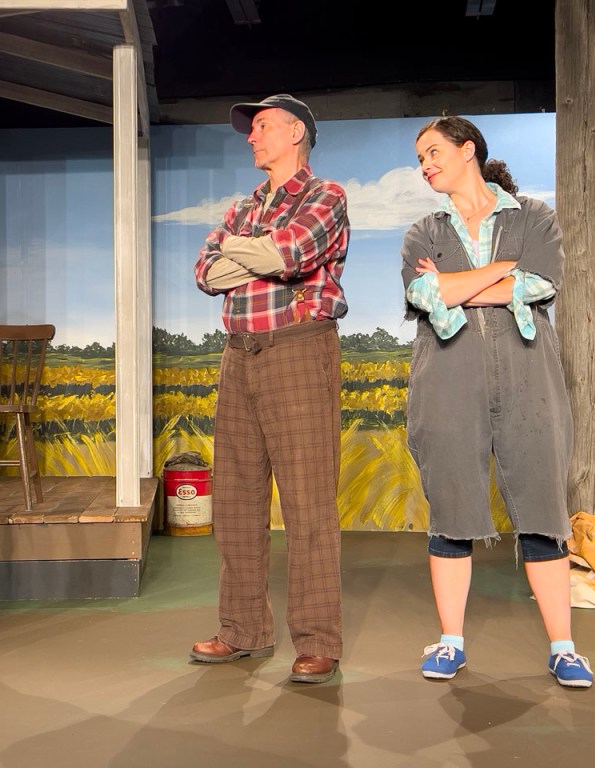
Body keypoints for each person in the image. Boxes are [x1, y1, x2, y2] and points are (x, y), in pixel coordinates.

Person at [401, 116, 594, 688]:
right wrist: (502, 271)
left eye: (433, 152)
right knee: (452, 507)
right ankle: (451, 642)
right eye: (420, 158)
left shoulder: (533, 216)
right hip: (447, 377)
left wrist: (459, 286)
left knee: (542, 507)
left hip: (528, 376)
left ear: (468, 151)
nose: (425, 165)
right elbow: (425, 294)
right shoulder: (423, 232)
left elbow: (542, 282)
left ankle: (564, 649)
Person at [191, 94, 349, 684]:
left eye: (261, 126)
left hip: (298, 348)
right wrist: (253, 254)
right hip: (239, 353)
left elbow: (292, 253)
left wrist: (248, 252)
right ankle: (243, 630)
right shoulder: (243, 206)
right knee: (235, 501)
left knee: (308, 502)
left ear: (295, 132)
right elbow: (206, 272)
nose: (251, 136)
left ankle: (317, 640)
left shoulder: (326, 195)